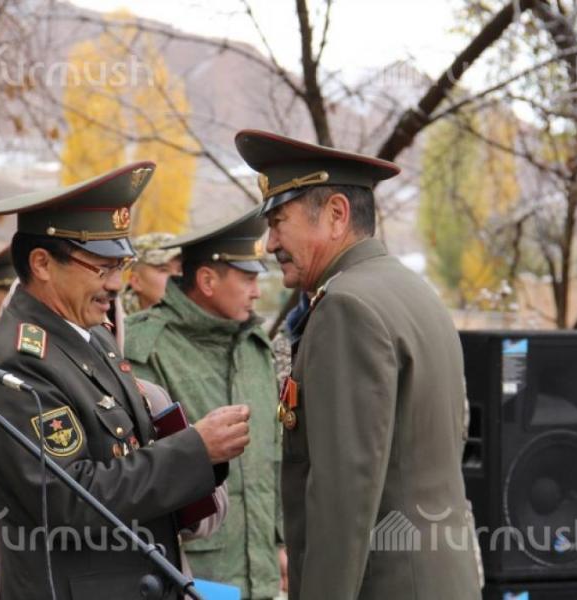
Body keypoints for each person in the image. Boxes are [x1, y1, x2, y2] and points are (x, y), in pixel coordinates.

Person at [0, 163, 251, 600]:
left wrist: (195, 454)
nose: (117, 284)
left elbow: (128, 452)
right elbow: (69, 498)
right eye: (101, 268)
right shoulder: (18, 364)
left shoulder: (91, 335)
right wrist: (195, 449)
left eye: (120, 265)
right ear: (42, 264)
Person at [235, 130, 481, 599]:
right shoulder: (411, 289)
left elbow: (342, 497)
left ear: (336, 215)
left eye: (279, 222)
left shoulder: (346, 307)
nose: (269, 244)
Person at [125, 207, 284, 599]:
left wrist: (278, 542)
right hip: (189, 573)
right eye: (247, 278)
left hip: (262, 573)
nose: (257, 291)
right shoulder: (145, 345)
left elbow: (273, 455)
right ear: (208, 280)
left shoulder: (254, 346)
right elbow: (140, 469)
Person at [119, 232, 182, 316]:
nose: (177, 277)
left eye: (180, 270)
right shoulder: (114, 318)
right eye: (164, 270)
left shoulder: (194, 316)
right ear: (136, 281)